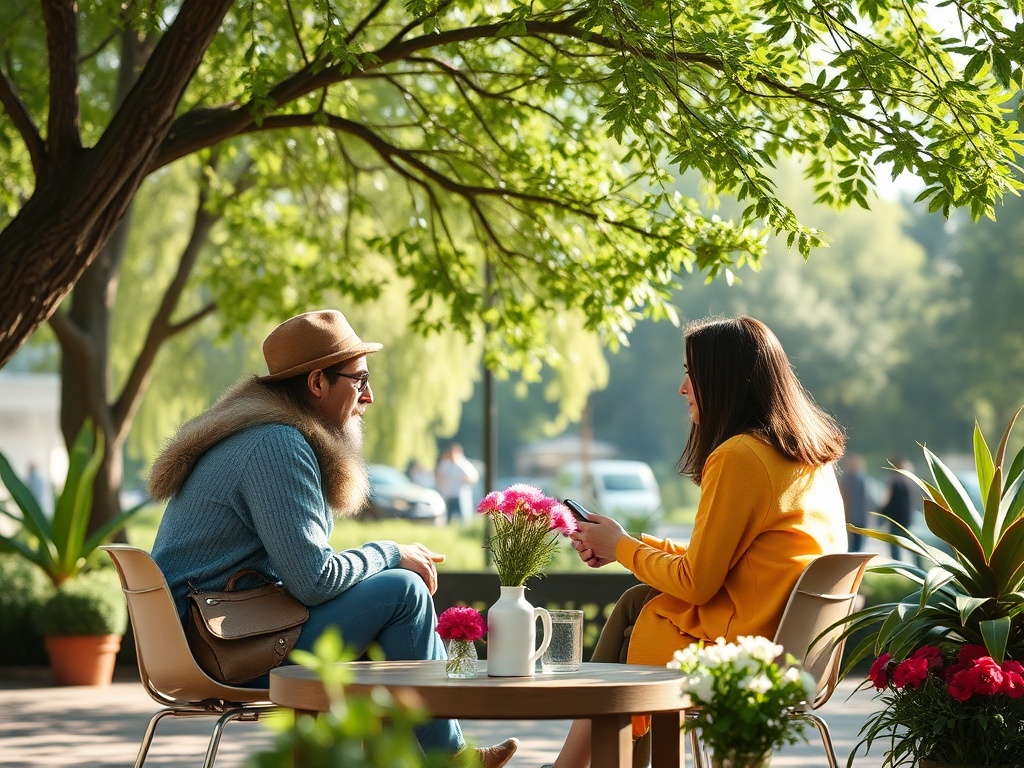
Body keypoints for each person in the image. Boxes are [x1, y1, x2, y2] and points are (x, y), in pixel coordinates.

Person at [147, 309, 517, 768]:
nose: (370, 396)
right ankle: (450, 759)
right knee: (404, 593)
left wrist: (381, 560)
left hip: (215, 637)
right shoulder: (276, 444)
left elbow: (306, 572)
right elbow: (315, 581)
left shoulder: (258, 433)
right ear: (317, 382)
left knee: (388, 608)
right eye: (358, 380)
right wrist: (392, 553)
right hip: (224, 650)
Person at [552, 315, 848, 768]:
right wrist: (624, 543)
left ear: (723, 379)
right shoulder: (809, 457)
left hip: (745, 653)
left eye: (691, 372)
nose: (683, 387)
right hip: (798, 650)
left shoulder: (739, 456)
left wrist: (622, 548)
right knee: (638, 601)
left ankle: (574, 766)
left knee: (639, 619)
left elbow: (696, 584)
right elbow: (719, 564)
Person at [879, 457, 916, 561]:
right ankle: (918, 564)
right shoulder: (910, 481)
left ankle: (897, 563)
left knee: (894, 543)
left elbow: (889, 499)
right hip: (907, 517)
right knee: (912, 543)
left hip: (895, 518)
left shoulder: (894, 481)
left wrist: (882, 513)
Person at [435, 443, 479, 524]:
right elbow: (439, 476)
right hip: (449, 494)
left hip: (460, 494)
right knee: (448, 518)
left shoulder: (463, 465)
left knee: (463, 518)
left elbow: (474, 477)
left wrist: (466, 480)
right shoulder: (445, 465)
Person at [840, 453, 870, 551]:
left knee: (849, 546)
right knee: (858, 547)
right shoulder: (863, 480)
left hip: (848, 517)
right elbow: (869, 499)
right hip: (860, 517)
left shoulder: (845, 479)